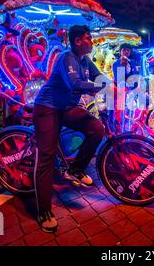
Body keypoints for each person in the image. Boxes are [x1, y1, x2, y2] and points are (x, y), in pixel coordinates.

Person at [33, 25, 107, 232]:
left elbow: (100, 76)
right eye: (88, 38)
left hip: (66, 108)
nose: (92, 41)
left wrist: (117, 83)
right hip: (47, 108)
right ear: (77, 41)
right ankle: (43, 211)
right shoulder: (67, 58)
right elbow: (75, 84)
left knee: (97, 129)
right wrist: (100, 87)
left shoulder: (85, 60)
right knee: (46, 157)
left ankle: (74, 170)